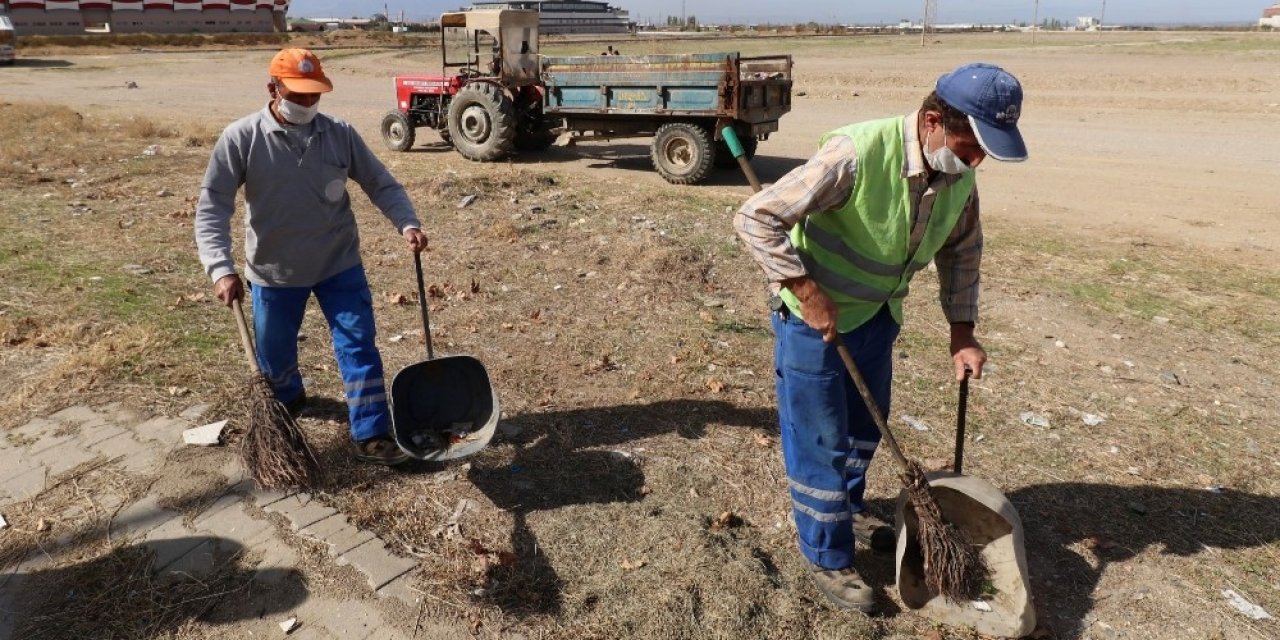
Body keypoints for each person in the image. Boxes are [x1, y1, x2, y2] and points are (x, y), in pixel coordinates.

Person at [733, 63, 1027, 614]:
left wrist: (962, 332)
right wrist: (803, 286)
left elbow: (962, 252)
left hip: (876, 318)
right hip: (812, 325)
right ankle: (827, 555)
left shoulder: (958, 177)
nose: (976, 163)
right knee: (820, 441)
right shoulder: (855, 153)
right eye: (971, 148)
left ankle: (848, 512)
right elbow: (756, 217)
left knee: (865, 430)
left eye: (984, 152)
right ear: (934, 122)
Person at [194, 48, 428, 466]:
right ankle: (286, 401)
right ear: (273, 89)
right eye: (297, 95)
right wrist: (220, 268)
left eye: (313, 95)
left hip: (339, 265)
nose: (306, 104)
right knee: (275, 353)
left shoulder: (339, 134)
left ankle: (372, 433)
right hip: (274, 273)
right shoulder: (241, 138)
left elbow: (381, 183)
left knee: (359, 346)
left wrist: (406, 222)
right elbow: (213, 206)